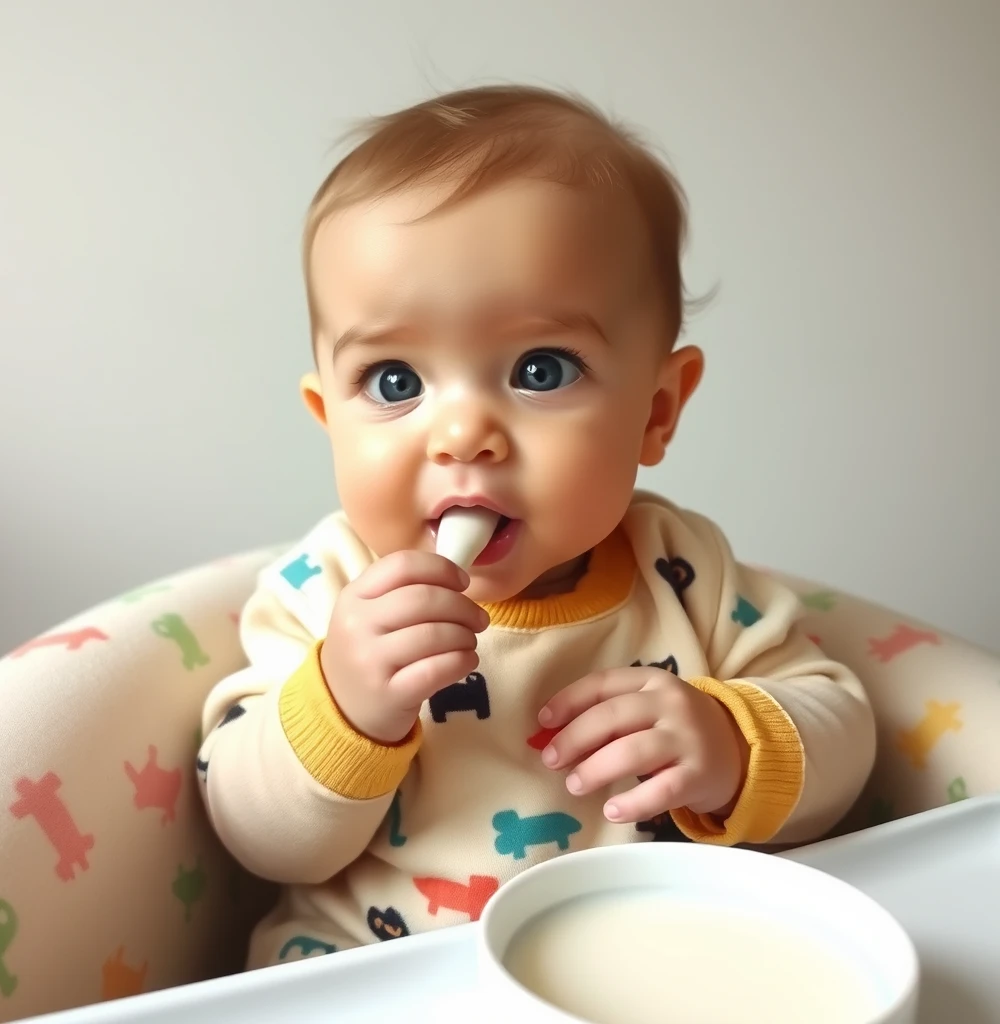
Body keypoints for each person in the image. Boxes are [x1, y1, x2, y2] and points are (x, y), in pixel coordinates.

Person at [197, 84, 875, 968]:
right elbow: (256, 836)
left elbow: (844, 731)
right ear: (330, 418)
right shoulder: (323, 590)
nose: (462, 434)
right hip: (373, 973)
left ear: (656, 411)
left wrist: (726, 743)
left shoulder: (682, 571)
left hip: (634, 969)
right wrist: (342, 704)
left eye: (540, 368)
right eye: (396, 382)